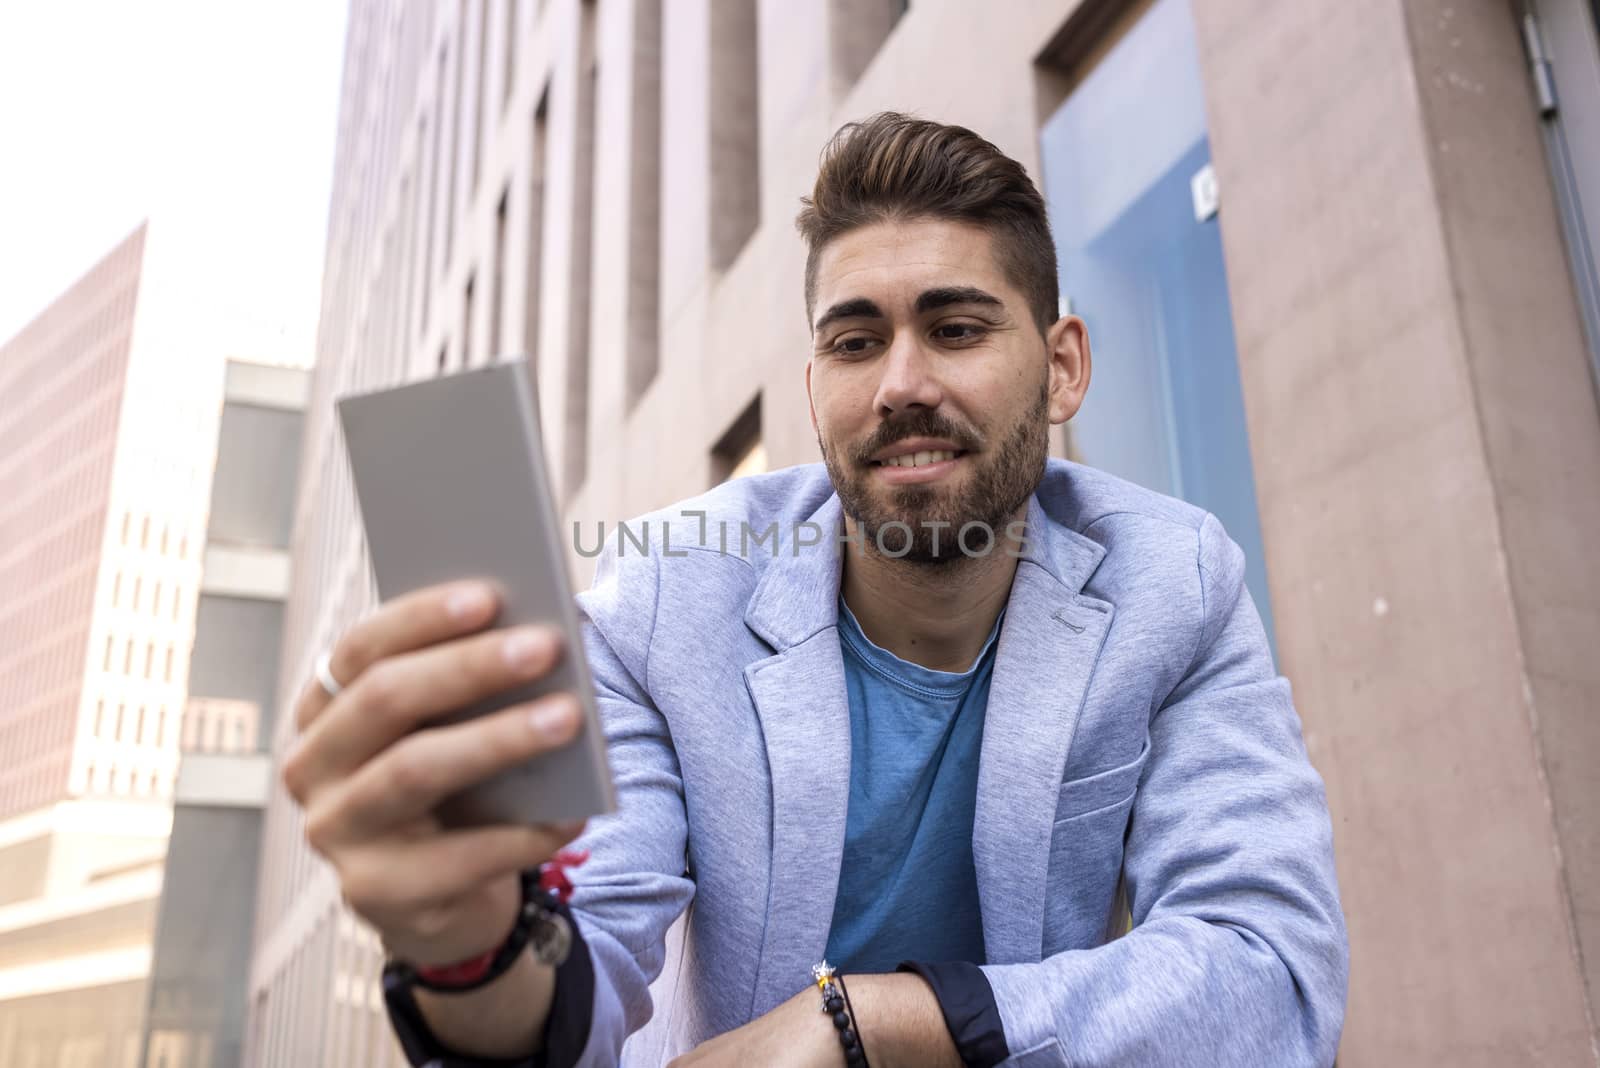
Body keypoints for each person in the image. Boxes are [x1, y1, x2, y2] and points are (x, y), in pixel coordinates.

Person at [281, 112, 1349, 1067]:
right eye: (854, 342)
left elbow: (1272, 977)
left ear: (1062, 365)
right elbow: (572, 989)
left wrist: (862, 1024)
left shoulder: (1177, 580)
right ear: (812, 387)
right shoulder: (667, 594)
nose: (900, 385)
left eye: (957, 327)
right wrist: (468, 949)